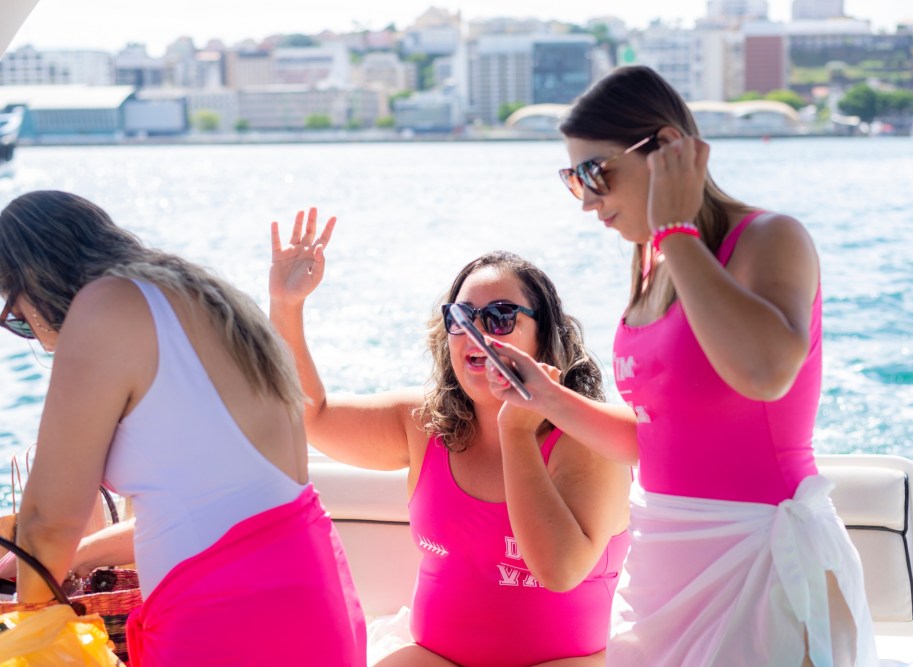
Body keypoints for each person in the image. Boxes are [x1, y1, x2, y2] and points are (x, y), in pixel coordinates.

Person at [480, 66, 878, 666]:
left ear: (667, 149)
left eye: (596, 173)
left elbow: (766, 373)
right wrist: (548, 399)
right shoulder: (655, 266)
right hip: (666, 557)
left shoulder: (767, 238)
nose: (588, 202)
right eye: (573, 179)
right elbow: (661, 442)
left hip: (758, 558)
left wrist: (675, 230)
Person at [0, 191, 366, 666]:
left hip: (229, 621)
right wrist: (83, 554)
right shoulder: (207, 298)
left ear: (37, 283)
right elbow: (209, 511)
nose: (39, 340)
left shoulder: (101, 309)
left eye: (19, 320)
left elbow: (47, 524)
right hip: (316, 598)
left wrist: (29, 623)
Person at [269, 208, 632, 667]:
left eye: (500, 317)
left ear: (544, 336)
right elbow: (311, 415)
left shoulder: (589, 436)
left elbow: (560, 570)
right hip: (436, 657)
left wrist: (517, 427)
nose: (477, 334)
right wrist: (286, 305)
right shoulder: (423, 424)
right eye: (462, 317)